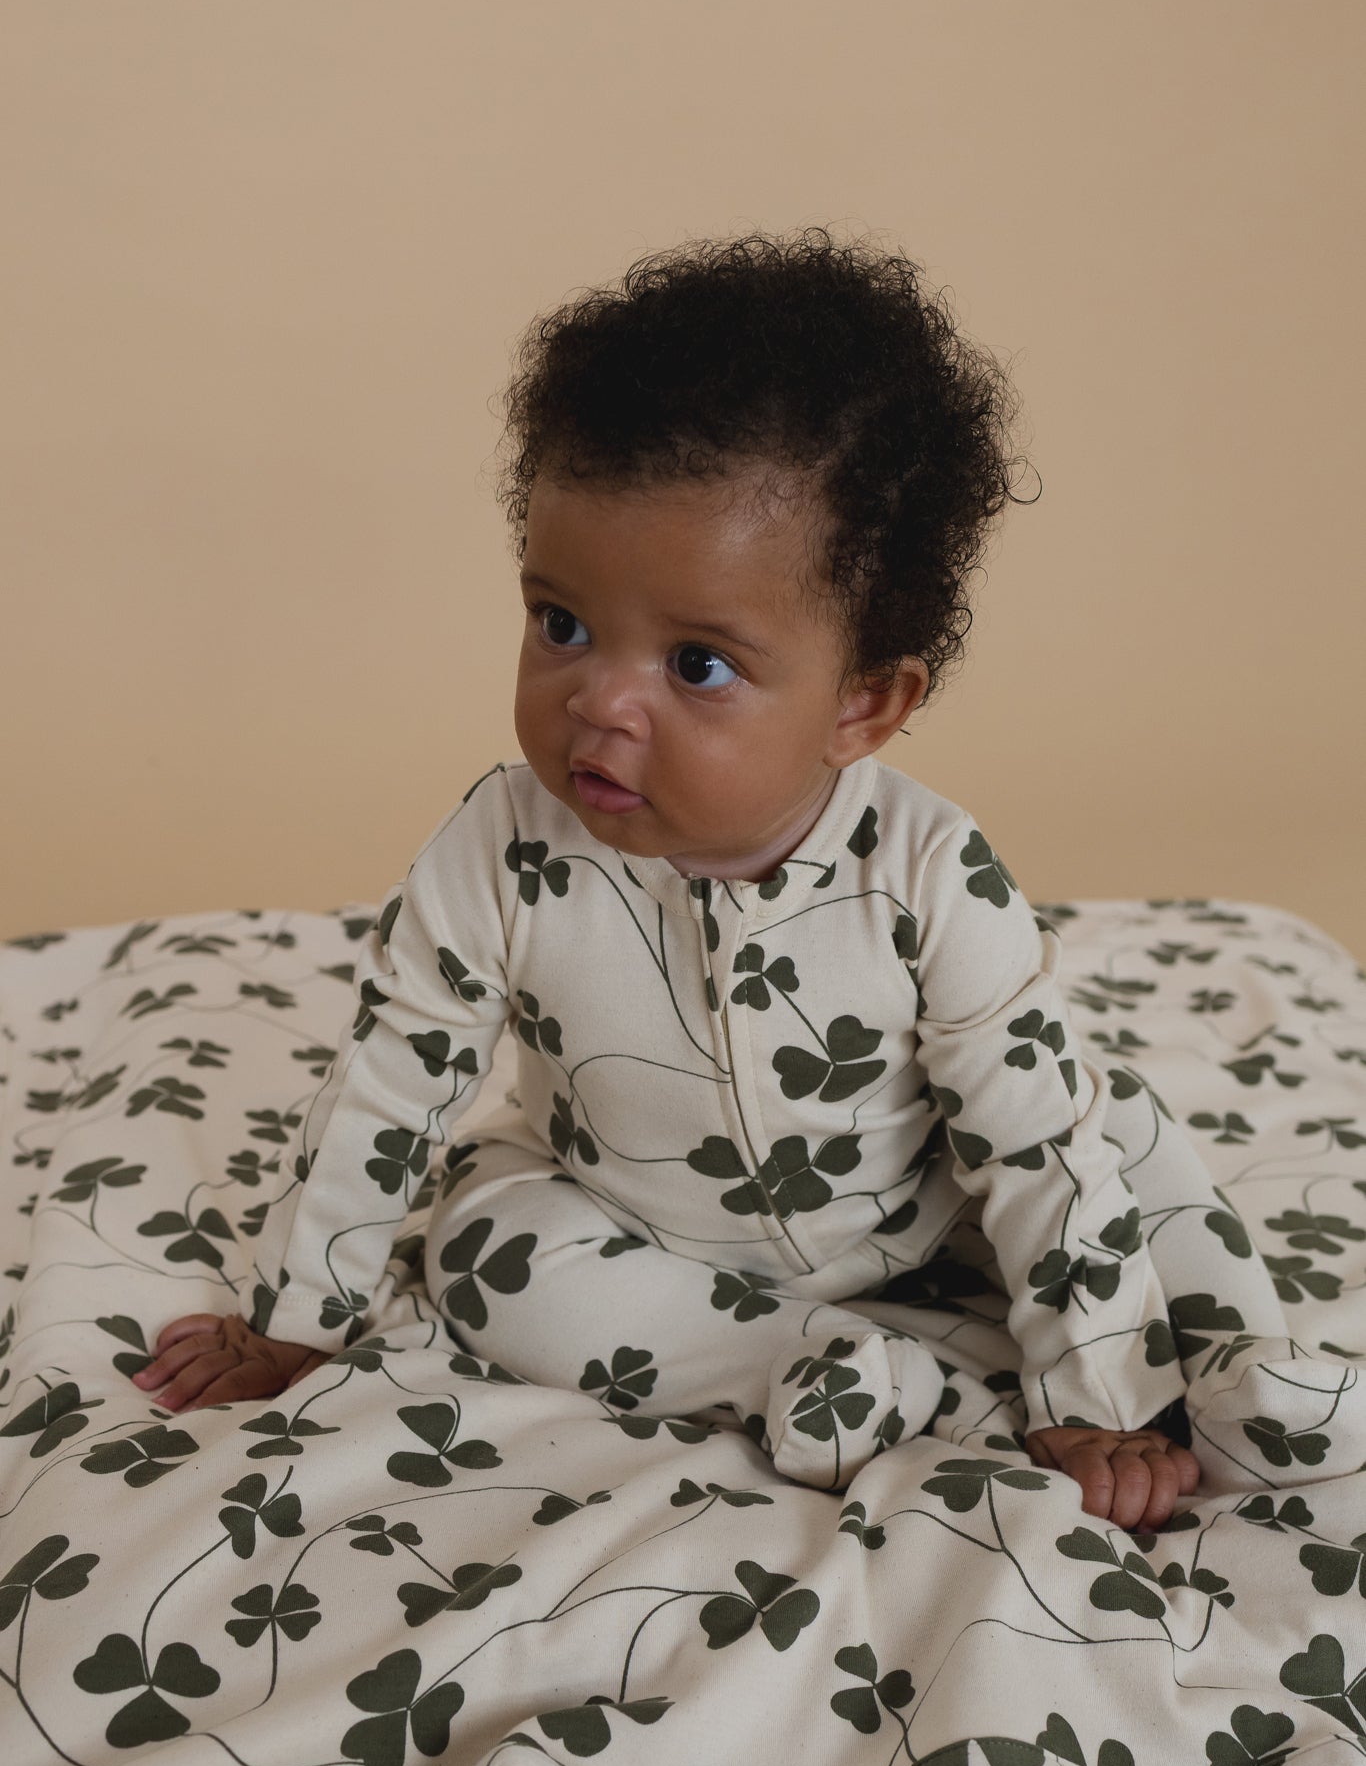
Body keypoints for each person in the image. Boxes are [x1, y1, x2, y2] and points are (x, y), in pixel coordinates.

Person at [134, 228, 1211, 1530]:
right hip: (641, 1235)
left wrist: (1094, 1394)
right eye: (562, 622)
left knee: (1109, 1131)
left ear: (862, 702)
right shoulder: (500, 846)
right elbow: (392, 1077)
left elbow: (1027, 1140)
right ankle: (798, 1370)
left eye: (696, 664)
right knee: (484, 1250)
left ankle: (1226, 1368)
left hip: (923, 1217)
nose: (598, 700)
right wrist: (295, 1320)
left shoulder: (929, 874)